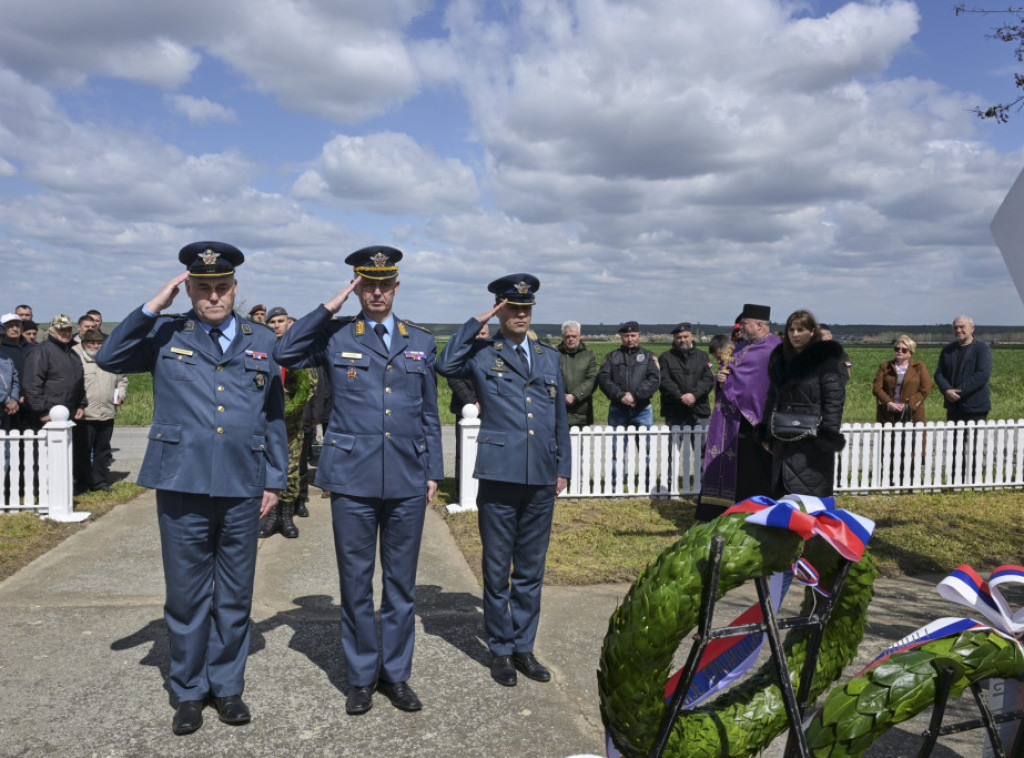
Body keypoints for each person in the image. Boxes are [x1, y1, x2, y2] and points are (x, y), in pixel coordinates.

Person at [96, 241, 287, 736]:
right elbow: (110, 357)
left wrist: (274, 478)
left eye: (222, 287)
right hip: (181, 480)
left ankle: (227, 686)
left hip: (244, 482)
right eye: (203, 288)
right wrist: (152, 306)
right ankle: (188, 690)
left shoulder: (262, 339)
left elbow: (272, 415)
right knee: (185, 595)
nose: (213, 296)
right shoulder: (165, 332)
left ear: (235, 288)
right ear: (189, 290)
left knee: (235, 594)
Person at [274, 246, 443, 715]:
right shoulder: (336, 335)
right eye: (367, 285)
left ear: (396, 287)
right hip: (351, 477)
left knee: (401, 585)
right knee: (355, 583)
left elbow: (429, 412)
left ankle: (397, 674)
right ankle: (362, 677)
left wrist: (433, 470)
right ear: (356, 288)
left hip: (407, 476)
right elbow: (284, 351)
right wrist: (329, 306)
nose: (376, 293)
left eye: (384, 284)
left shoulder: (420, 341)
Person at [437, 274, 570, 689]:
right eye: (512, 308)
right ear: (499, 310)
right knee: (497, 570)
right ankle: (501, 650)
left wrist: (562, 468)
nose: (521, 315)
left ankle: (524, 647)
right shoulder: (481, 353)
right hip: (499, 473)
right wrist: (475, 322)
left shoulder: (547, 357)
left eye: (526, 308)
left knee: (530, 569)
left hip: (541, 476)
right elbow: (445, 364)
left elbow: (559, 418)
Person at [697, 304, 781, 521]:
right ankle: (732, 514)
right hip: (735, 422)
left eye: (744, 324)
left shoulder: (775, 348)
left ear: (759, 325)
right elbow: (730, 373)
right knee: (739, 471)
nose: (740, 328)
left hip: (758, 420)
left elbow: (759, 383)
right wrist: (720, 380)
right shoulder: (741, 347)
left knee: (758, 472)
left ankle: (761, 516)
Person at [757, 310, 847, 498]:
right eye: (791, 330)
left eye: (800, 330)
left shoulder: (827, 359)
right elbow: (772, 398)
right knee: (782, 495)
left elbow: (834, 401)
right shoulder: (779, 359)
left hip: (812, 439)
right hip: (782, 437)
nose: (795, 334)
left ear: (812, 331)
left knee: (809, 496)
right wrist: (766, 431)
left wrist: (827, 435)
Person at [259, 306, 316, 537]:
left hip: (290, 424)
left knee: (291, 470)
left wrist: (289, 410)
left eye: (280, 321)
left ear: (287, 323)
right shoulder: (261, 347)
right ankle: (271, 516)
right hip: (264, 421)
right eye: (272, 322)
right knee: (267, 467)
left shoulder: (298, 350)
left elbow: (309, 386)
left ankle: (286, 517)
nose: (276, 325)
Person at [598, 321, 660, 490]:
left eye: (633, 335)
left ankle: (648, 483)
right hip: (618, 409)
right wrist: (621, 396)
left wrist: (635, 395)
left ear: (639, 336)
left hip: (642, 409)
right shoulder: (612, 357)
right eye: (626, 336)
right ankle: (616, 483)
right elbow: (604, 379)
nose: (630, 339)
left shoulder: (649, 357)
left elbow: (654, 379)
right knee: (616, 448)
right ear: (621, 337)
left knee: (647, 448)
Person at [72, 329, 127, 492]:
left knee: (103, 451)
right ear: (84, 344)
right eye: (91, 343)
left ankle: (100, 482)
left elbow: (122, 380)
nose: (96, 346)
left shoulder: (111, 360)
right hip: (86, 415)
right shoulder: (77, 360)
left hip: (107, 412)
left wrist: (121, 394)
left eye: (99, 343)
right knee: (82, 451)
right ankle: (83, 484)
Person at [872, 335, 932, 484]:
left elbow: (925, 388)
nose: (899, 351)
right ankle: (890, 479)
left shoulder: (919, 367)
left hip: (912, 413)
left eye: (904, 349)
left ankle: (910, 479)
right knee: (889, 445)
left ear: (910, 352)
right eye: (897, 348)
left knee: (912, 444)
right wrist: (889, 403)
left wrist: (909, 405)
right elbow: (877, 388)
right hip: (888, 413)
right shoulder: (885, 366)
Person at [22, 315, 86, 429]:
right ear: (51, 331)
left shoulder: (72, 353)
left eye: (69, 329)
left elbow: (79, 382)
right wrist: (43, 412)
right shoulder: (41, 351)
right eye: (61, 330)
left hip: (67, 414)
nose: (66, 333)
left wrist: (80, 405)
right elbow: (32, 384)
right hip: (46, 416)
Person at [934, 315, 992, 423]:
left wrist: (958, 392)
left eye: (962, 327)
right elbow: (939, 374)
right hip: (953, 406)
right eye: (955, 327)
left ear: (972, 328)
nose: (958, 330)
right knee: (954, 435)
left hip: (975, 407)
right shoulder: (948, 350)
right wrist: (947, 390)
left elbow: (982, 375)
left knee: (973, 435)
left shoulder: (982, 348)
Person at [659, 322, 714, 429]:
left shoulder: (702, 356)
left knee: (701, 440)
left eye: (685, 337)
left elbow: (708, 379)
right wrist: (681, 396)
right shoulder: (665, 357)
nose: (682, 340)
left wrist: (694, 395)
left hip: (699, 409)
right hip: (674, 411)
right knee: (674, 440)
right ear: (674, 338)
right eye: (679, 337)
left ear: (692, 336)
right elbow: (664, 381)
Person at [557, 320, 598, 427]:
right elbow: (549, 379)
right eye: (567, 336)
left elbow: (592, 379)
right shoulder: (554, 356)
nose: (571, 339)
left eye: (574, 336)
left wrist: (575, 396)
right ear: (563, 337)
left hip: (582, 414)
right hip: (559, 411)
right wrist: (561, 396)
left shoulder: (589, 356)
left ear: (579, 336)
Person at [0, 314, 32, 430]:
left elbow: (15, 379)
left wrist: (14, 399)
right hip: (6, 405)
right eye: (10, 326)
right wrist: (8, 400)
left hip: (17, 406)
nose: (14, 329)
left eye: (17, 325)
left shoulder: (6, 357)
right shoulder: (4, 351)